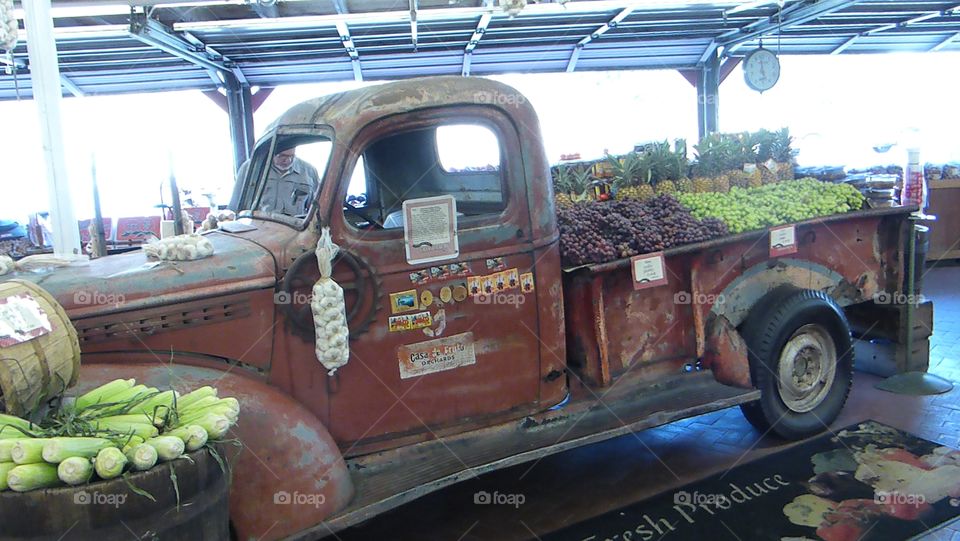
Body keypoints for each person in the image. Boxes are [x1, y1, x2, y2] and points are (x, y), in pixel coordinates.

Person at [231, 146, 320, 216]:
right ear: (271, 151)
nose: (288, 161)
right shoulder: (250, 168)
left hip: (295, 230)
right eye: (282, 156)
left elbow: (318, 208)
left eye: (291, 156)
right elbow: (235, 206)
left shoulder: (309, 171)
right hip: (259, 228)